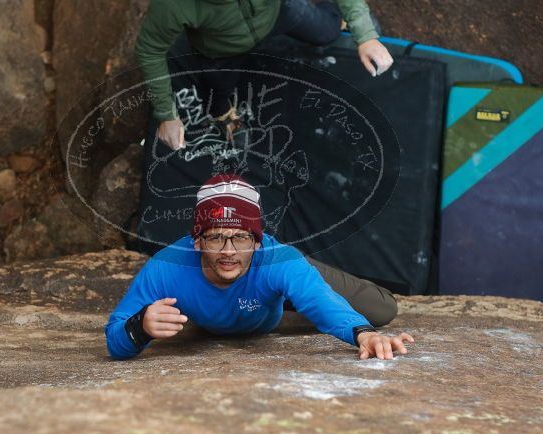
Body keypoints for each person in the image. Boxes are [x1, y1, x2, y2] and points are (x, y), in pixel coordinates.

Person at [105, 174, 413, 360]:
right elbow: (115, 336)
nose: (228, 252)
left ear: (257, 240)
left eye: (240, 238)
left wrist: (364, 335)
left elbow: (324, 305)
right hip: (248, 301)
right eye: (215, 239)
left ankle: (292, 291)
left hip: (271, 281)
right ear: (196, 241)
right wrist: (140, 326)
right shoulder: (167, 266)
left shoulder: (277, 258)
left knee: (381, 309)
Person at [135, 0, 395, 150]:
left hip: (280, 13)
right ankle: (224, 115)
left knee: (325, 31)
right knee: (216, 94)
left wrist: (364, 33)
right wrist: (167, 115)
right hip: (220, 48)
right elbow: (150, 49)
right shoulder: (172, 5)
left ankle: (339, 18)